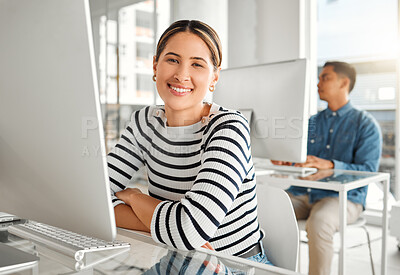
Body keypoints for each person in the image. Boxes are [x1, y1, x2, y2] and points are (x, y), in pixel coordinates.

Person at [106, 20, 271, 265]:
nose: (182, 75)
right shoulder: (145, 121)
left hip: (236, 266)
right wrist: (173, 229)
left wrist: (134, 198)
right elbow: (94, 197)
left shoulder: (228, 128)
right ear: (155, 65)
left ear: (214, 77)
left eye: (197, 64)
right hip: (172, 258)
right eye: (172, 60)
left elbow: (188, 230)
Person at [275, 61, 382, 275]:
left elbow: (369, 169)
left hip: (344, 198)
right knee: (269, 211)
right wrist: (287, 160)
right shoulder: (312, 122)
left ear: (344, 82)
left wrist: (332, 165)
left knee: (320, 223)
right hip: (303, 193)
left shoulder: (366, 124)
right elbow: (303, 160)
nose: (318, 83)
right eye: (319, 78)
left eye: (325, 78)